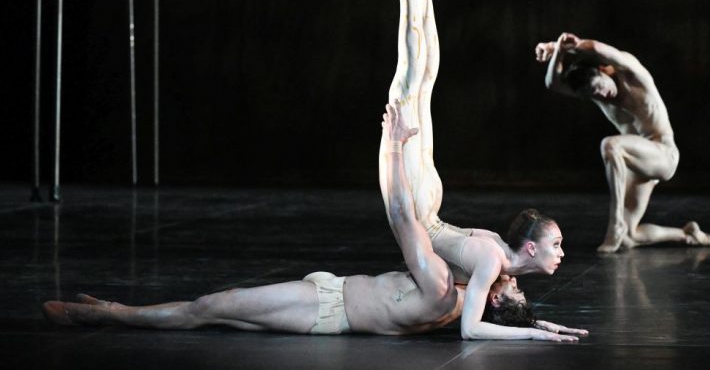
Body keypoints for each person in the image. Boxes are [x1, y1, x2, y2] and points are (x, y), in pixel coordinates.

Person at [41, 104, 520, 336]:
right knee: (221, 315)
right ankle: (110, 310)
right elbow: (476, 261)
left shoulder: (441, 288)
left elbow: (400, 215)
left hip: (326, 308)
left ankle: (105, 313)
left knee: (209, 306)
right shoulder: (455, 292)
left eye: (509, 285)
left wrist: (392, 145)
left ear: (492, 299)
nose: (505, 273)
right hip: (331, 290)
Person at [376, 0, 587, 341]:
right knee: (417, 81)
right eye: (556, 244)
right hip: (425, 206)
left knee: (417, 82)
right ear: (530, 250)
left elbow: (485, 318)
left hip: (422, 206)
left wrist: (544, 325)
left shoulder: (496, 258)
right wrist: (536, 335)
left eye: (557, 244)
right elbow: (471, 330)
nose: (561, 252)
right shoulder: (492, 260)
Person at [535, 32, 710, 253]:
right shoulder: (596, 93)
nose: (604, 95)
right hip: (635, 163)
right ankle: (688, 235)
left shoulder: (634, 75)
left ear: (604, 70)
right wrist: (558, 52)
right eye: (597, 95)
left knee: (610, 145)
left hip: (663, 154)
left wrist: (562, 43)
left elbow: (598, 48)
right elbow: (552, 83)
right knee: (630, 237)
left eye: (602, 87)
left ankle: (615, 224)